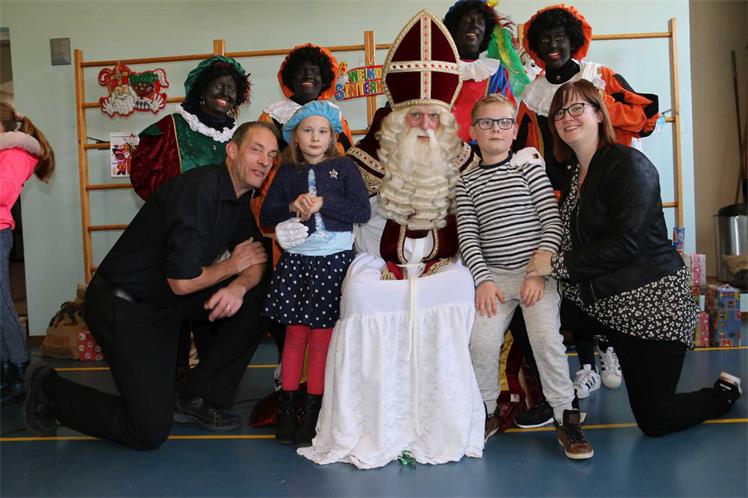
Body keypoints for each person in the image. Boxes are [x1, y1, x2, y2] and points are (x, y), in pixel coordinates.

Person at [298, 9, 484, 469]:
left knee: (460, 290)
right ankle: (372, 422)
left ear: (444, 119)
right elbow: (340, 210)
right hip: (379, 261)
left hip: (444, 263)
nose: (424, 123)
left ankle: (441, 422)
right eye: (414, 114)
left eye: (433, 116)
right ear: (397, 117)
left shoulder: (464, 157)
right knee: (361, 296)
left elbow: (480, 210)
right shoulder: (366, 157)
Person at [23, 122, 279, 450]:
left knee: (260, 292)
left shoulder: (238, 197)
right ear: (232, 150)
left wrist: (239, 286)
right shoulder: (199, 190)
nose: (264, 161)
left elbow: (256, 258)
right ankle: (48, 388)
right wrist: (231, 267)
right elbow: (182, 282)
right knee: (148, 431)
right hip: (124, 308)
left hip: (165, 304)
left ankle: (196, 396)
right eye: (256, 150)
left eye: (272, 155)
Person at [527, 79, 742, 438]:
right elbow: (567, 235)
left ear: (599, 114)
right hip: (600, 301)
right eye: (560, 113)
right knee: (527, 305)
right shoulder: (575, 173)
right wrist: (535, 270)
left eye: (578, 108)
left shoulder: (628, 164)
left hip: (648, 307)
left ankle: (724, 393)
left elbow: (625, 244)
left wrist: (555, 265)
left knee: (656, 420)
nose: (567, 118)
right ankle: (557, 400)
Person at [512, 4, 661, 421]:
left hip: (606, 193)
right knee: (571, 283)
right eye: (544, 39)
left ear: (574, 41)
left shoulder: (600, 76)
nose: (552, 45)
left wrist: (595, 105)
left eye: (560, 37)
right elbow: (523, 151)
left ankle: (611, 348)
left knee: (605, 272)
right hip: (558, 200)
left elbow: (645, 119)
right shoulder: (531, 96)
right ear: (536, 48)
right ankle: (587, 366)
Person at [456, 94, 592, 459]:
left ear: (514, 131)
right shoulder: (466, 184)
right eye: (486, 123)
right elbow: (469, 237)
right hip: (495, 279)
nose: (495, 129)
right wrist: (483, 280)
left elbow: (552, 223)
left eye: (504, 122)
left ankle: (565, 416)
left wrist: (538, 272)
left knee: (546, 339)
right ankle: (486, 411)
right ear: (473, 131)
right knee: (480, 343)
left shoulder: (529, 170)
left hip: (536, 274)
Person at [249, 44, 355, 429]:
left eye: (315, 71)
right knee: (291, 323)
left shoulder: (337, 129)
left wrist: (327, 203)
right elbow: (263, 184)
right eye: (301, 71)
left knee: (324, 327)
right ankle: (288, 393)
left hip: (332, 249)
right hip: (289, 240)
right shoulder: (272, 119)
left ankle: (318, 397)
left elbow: (351, 191)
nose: (308, 76)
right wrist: (282, 217)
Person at [260, 101, 369, 446]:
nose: (315, 137)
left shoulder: (345, 167)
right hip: (297, 262)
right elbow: (266, 217)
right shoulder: (286, 172)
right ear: (295, 137)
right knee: (295, 336)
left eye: (323, 131)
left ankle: (313, 414)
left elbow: (362, 211)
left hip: (333, 261)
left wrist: (325, 203)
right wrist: (291, 206)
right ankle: (287, 411)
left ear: (333, 137)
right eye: (307, 130)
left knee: (321, 339)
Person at [130, 55, 251, 200]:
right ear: (202, 89)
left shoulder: (239, 135)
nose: (225, 93)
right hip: (182, 213)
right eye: (218, 86)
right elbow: (143, 176)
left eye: (231, 88)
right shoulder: (170, 127)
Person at [0, 103, 55, 403]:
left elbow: (4, 193)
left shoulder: (16, 153)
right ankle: (7, 370)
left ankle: (22, 371)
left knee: (2, 304)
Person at [443, 0, 529, 142]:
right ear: (455, 28)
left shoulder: (496, 72)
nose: (475, 25)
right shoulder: (440, 68)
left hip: (484, 149)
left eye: (481, 22)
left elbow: (506, 116)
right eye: (467, 20)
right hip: (442, 148)